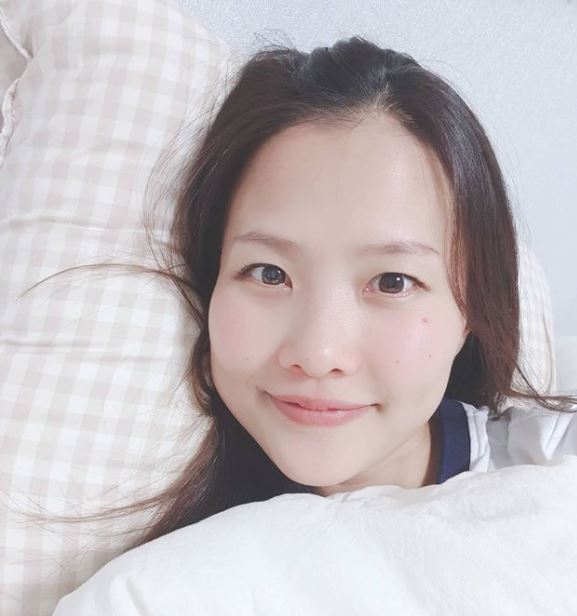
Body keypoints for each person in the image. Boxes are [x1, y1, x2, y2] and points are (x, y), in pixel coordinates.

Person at [52, 36, 577, 613]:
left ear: (470, 309)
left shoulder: (552, 466)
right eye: (269, 273)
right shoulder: (150, 593)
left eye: (392, 282)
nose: (319, 352)